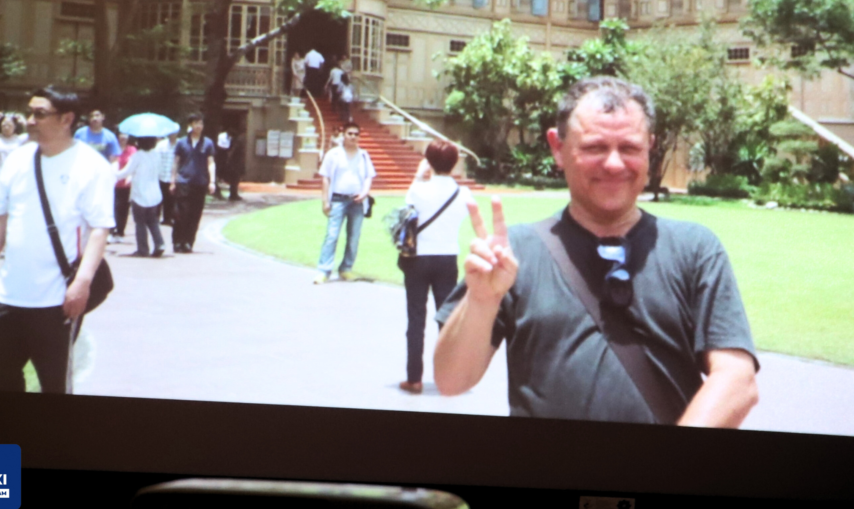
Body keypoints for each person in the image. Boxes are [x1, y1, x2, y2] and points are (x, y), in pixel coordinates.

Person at [433, 76, 759, 426]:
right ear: (557, 148)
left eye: (630, 148)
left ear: (650, 147)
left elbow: (737, 379)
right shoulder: (512, 255)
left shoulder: (694, 248)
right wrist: (481, 301)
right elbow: (452, 380)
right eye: (595, 148)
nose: (614, 164)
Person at [0, 86, 115, 394]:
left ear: (67, 119)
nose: (29, 120)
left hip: (56, 301)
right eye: (29, 112)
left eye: (39, 114)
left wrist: (82, 282)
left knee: (54, 385)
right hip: (9, 296)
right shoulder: (17, 160)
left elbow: (99, 229)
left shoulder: (92, 166)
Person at [398, 142, 488, 395]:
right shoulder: (463, 193)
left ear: (428, 161)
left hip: (418, 258)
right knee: (447, 318)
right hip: (447, 259)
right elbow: (479, 224)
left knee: (416, 319)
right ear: (455, 162)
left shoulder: (417, 189)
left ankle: (414, 378)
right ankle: (450, 376)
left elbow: (406, 212)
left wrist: (418, 174)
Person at [314, 121, 376, 284]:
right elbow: (325, 178)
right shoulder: (333, 154)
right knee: (332, 235)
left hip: (357, 201)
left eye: (356, 134)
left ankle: (346, 269)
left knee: (354, 237)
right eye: (350, 134)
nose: (353, 137)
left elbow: (369, 176)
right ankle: (324, 270)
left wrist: (364, 193)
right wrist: (325, 201)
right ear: (343, 135)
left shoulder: (363, 155)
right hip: (338, 200)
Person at [170, 113, 216, 253]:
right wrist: (173, 180)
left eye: (201, 123)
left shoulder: (207, 143)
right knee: (181, 213)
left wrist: (212, 181)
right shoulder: (182, 142)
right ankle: (178, 241)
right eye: (196, 123)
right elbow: (175, 162)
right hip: (183, 182)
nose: (199, 126)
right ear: (190, 125)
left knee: (195, 214)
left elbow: (211, 163)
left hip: (200, 183)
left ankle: (188, 242)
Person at [116, 136, 166, 257]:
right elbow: (161, 173)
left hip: (140, 193)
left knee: (140, 222)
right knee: (153, 220)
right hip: (154, 193)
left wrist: (111, 173)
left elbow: (125, 172)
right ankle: (160, 244)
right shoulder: (157, 155)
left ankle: (143, 249)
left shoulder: (137, 156)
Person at [0, 111, 29, 199]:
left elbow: (37, 134)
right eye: (4, 125)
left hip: (14, 178)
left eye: (9, 125)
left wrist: (24, 121)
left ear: (14, 127)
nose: (6, 127)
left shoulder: (20, 139)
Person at [110, 133, 137, 243]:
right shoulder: (113, 148)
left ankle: (120, 232)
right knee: (113, 207)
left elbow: (133, 164)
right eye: (121, 137)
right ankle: (111, 231)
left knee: (123, 209)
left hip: (126, 184)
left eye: (125, 138)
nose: (123, 140)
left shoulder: (132, 149)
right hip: (112, 183)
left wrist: (129, 177)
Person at [156, 133, 178, 227]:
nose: (172, 135)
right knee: (158, 198)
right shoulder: (161, 145)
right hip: (161, 175)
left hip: (173, 176)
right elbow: (156, 158)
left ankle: (167, 218)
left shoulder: (180, 144)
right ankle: (155, 218)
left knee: (170, 199)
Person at [214, 128, 232, 200]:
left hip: (221, 161)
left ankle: (218, 192)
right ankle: (217, 193)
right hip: (218, 161)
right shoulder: (221, 137)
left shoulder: (228, 138)